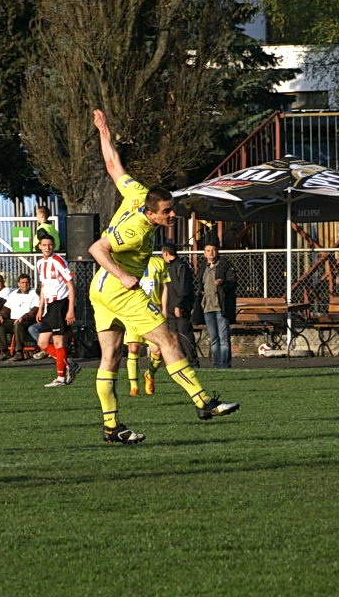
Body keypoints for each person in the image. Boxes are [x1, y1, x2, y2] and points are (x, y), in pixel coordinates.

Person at [87, 109, 238, 444]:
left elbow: (114, 166)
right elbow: (97, 249)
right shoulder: (136, 228)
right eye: (167, 212)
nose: (173, 214)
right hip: (118, 289)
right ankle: (203, 402)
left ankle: (111, 428)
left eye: (172, 208)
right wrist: (125, 277)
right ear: (151, 212)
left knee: (110, 357)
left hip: (99, 290)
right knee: (168, 340)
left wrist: (104, 131)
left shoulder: (138, 193)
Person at [35, 233, 79, 386]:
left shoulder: (59, 261)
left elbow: (70, 286)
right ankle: (69, 364)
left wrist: (70, 310)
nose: (47, 248)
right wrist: (40, 308)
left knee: (59, 341)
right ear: (39, 246)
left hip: (61, 304)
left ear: (54, 246)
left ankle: (60, 378)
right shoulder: (40, 263)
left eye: (50, 245)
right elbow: (43, 286)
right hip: (49, 306)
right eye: (44, 245)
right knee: (42, 343)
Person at [124, 254, 169, 396]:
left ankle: (150, 374)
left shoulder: (159, 262)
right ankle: (134, 387)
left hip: (152, 311)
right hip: (133, 310)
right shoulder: (127, 261)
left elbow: (164, 287)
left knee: (157, 351)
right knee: (133, 347)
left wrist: (164, 309)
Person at [198, 242, 237, 369]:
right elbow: (199, 285)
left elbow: (233, 282)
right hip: (207, 306)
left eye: (213, 250)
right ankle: (217, 363)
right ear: (204, 253)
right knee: (213, 337)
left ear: (217, 251)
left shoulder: (225, 265)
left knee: (223, 337)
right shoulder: (203, 266)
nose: (211, 253)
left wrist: (223, 283)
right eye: (208, 250)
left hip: (221, 306)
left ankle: (224, 364)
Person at [161, 243, 200, 367]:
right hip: (170, 306)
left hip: (180, 306)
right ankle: (180, 362)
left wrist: (179, 304)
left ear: (166, 253)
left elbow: (185, 288)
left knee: (184, 334)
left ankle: (193, 362)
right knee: (174, 336)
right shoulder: (167, 268)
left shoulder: (181, 266)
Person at [0, 273, 40, 361]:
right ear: (18, 284)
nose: (25, 285)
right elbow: (6, 308)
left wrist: (23, 317)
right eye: (22, 282)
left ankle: (19, 352)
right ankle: (4, 352)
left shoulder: (34, 294)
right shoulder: (13, 294)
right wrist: (0, 316)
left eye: (27, 282)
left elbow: (34, 310)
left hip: (27, 321)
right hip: (13, 320)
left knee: (18, 324)